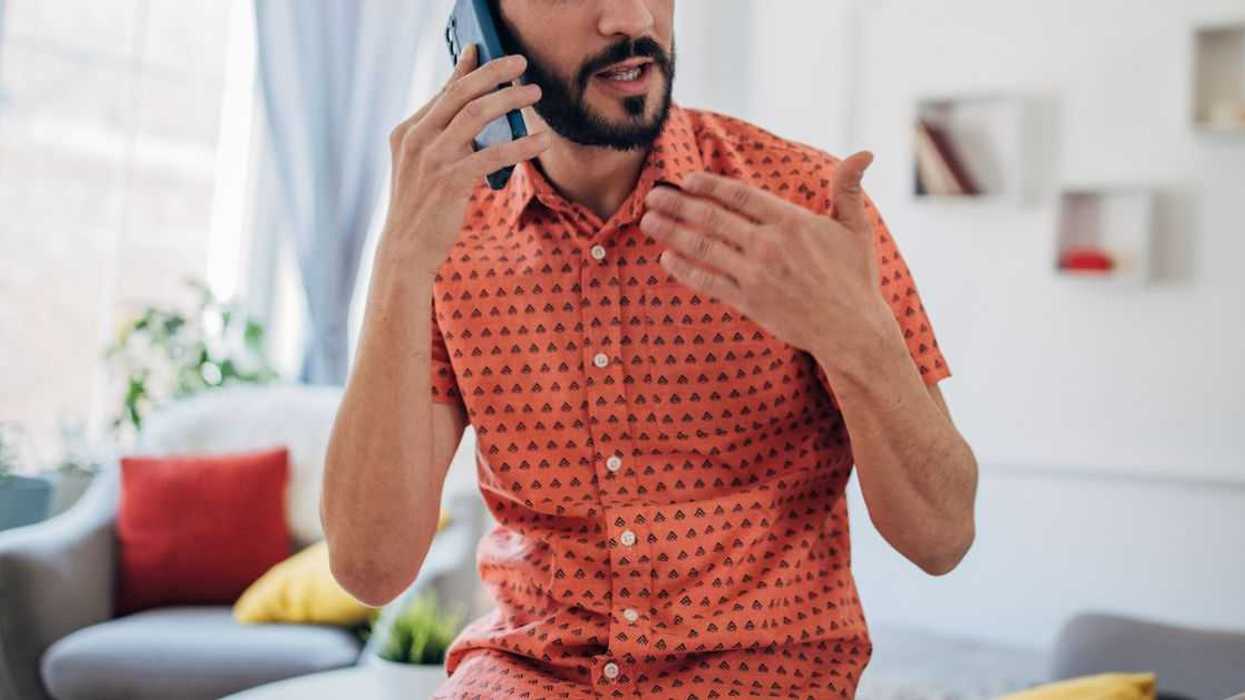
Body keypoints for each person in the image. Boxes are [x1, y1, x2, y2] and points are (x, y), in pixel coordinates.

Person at [321, 1, 979, 698]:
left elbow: (940, 538)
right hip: (525, 677)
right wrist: (399, 259)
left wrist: (856, 339)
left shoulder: (805, 207)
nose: (631, 18)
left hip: (759, 679)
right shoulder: (447, 232)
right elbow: (370, 568)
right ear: (481, 24)